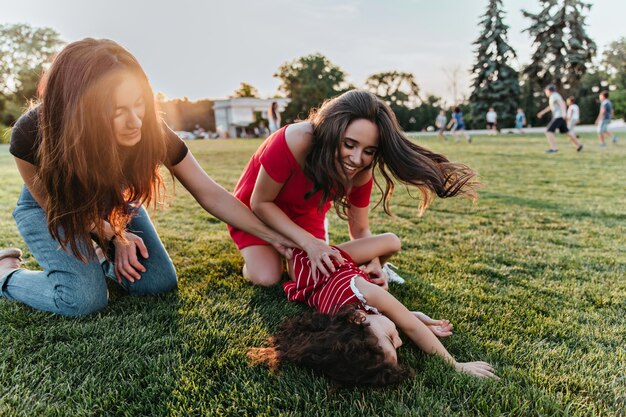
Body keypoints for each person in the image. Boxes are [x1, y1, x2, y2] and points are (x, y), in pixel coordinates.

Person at [0, 38, 294, 317]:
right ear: (82, 112)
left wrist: (273, 237)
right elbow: (59, 208)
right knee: (83, 299)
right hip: (54, 208)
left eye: (138, 103)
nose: (135, 121)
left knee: (156, 283)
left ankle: (101, 259)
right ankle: (6, 273)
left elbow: (209, 192)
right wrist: (115, 236)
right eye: (117, 111)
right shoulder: (32, 133)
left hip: (111, 203)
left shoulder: (151, 129)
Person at [228, 90, 478, 288]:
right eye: (349, 144)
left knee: (304, 273)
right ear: (332, 132)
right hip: (256, 212)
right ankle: (256, 254)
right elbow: (261, 203)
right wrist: (309, 243)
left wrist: (374, 263)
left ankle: (296, 251)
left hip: (306, 215)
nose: (357, 159)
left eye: (369, 151)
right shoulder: (296, 139)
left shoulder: (361, 172)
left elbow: (359, 229)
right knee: (267, 277)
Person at [249, 233, 498, 386]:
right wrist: (419, 318)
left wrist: (453, 363)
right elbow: (403, 321)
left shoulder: (364, 291)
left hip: (326, 259)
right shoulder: (341, 320)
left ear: (358, 318)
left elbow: (408, 326)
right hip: (308, 275)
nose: (400, 341)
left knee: (391, 241)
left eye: (391, 338)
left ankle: (370, 261)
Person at [536, 84, 583, 154]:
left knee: (548, 131)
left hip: (559, 116)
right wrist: (542, 112)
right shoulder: (553, 97)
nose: (545, 92)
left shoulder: (555, 95)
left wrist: (564, 113)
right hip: (560, 116)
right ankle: (578, 145)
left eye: (546, 91)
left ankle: (553, 148)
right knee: (566, 132)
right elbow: (550, 107)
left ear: (549, 90)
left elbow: (562, 103)